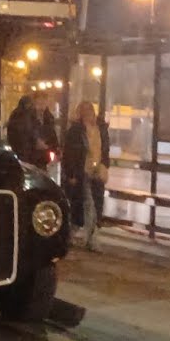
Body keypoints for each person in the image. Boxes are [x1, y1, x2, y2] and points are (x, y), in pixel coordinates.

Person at [63, 101, 110, 249]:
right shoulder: (76, 131)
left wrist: (104, 166)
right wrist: (71, 173)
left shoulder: (101, 129)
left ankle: (81, 235)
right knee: (87, 204)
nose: (88, 114)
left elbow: (105, 150)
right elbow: (69, 154)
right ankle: (89, 239)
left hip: (96, 172)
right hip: (82, 171)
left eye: (89, 111)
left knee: (93, 204)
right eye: (85, 111)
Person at [6, 95, 40, 164]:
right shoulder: (22, 114)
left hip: (23, 147)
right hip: (23, 146)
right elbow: (28, 129)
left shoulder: (20, 114)